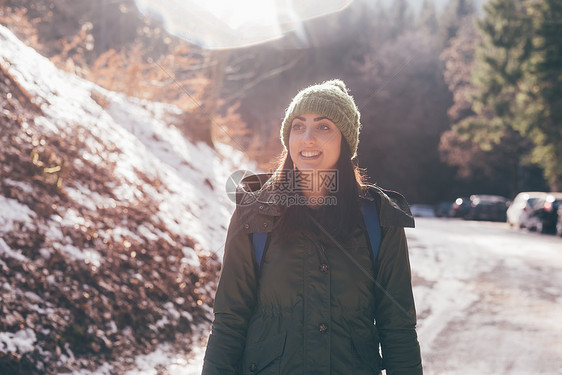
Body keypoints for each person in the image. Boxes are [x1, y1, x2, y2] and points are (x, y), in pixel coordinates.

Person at [202, 79, 423, 375]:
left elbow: (398, 328)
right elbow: (229, 320)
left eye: (323, 127)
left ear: (345, 140)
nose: (307, 138)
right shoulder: (254, 212)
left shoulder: (379, 218)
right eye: (298, 126)